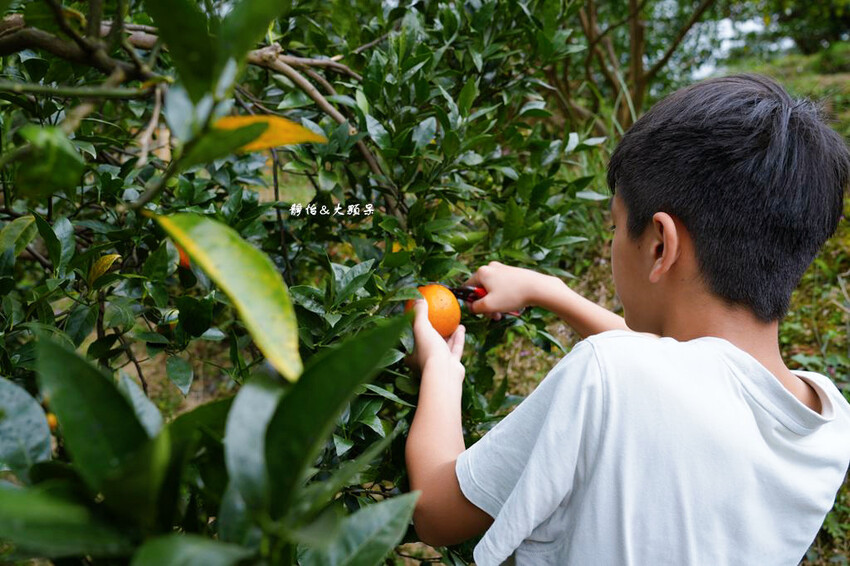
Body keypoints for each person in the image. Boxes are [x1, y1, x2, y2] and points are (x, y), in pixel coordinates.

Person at [404, 74, 850, 565]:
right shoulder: (827, 425)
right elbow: (690, 374)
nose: (613, 239)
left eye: (616, 226)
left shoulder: (609, 374)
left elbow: (436, 512)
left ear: (660, 245)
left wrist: (442, 376)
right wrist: (550, 292)